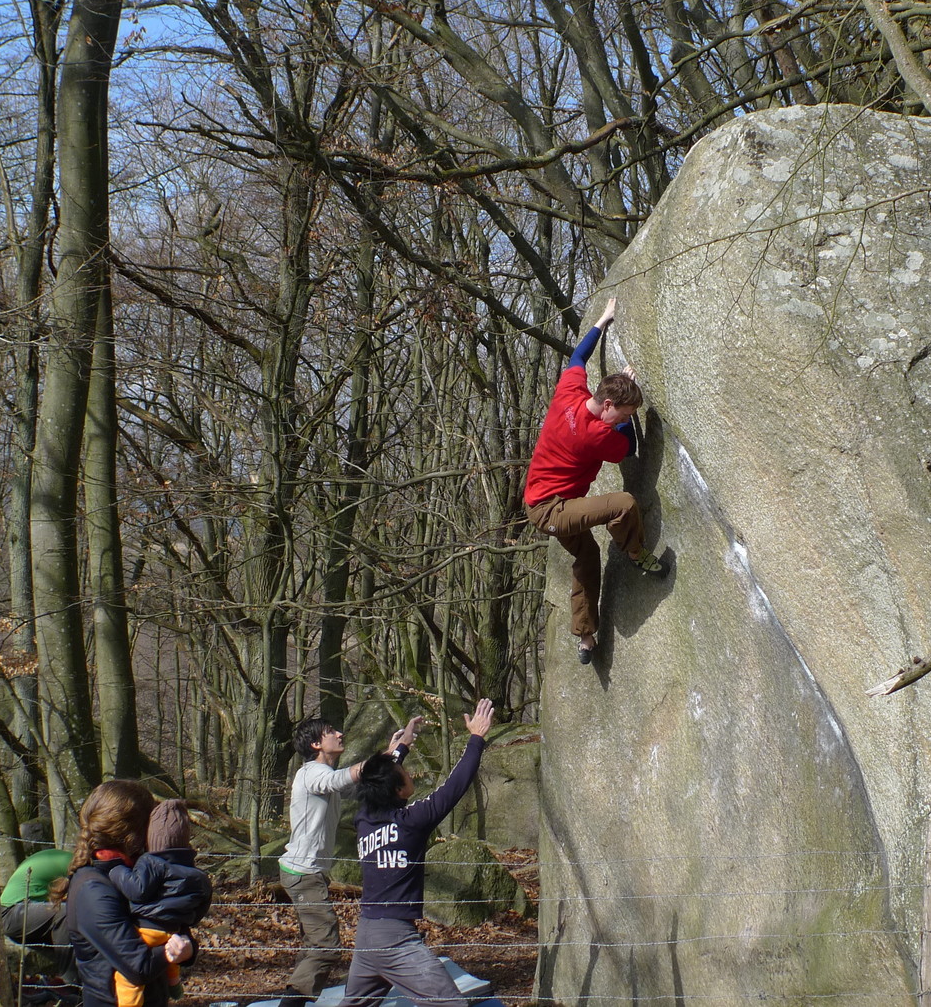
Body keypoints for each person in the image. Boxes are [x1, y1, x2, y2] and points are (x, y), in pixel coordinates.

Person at [524, 296, 667, 663]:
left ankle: (586, 637)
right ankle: (635, 552)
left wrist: (602, 320)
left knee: (587, 555)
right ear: (607, 406)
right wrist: (624, 422)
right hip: (551, 511)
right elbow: (628, 447)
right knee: (623, 504)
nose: (626, 419)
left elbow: (578, 358)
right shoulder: (595, 435)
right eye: (624, 413)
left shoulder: (569, 393)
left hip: (544, 498)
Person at [342, 699, 495, 1006]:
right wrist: (476, 738)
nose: (408, 773)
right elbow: (454, 786)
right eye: (404, 771)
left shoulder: (364, 819)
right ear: (398, 790)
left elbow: (377, 779)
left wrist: (401, 747)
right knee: (450, 1004)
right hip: (395, 940)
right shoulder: (412, 821)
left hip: (368, 931)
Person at [279, 715, 424, 1006]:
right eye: (331, 731)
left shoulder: (325, 775)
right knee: (325, 946)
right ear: (316, 744)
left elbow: (367, 783)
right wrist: (387, 754)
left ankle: (294, 999)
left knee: (314, 945)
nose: (340, 734)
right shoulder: (311, 773)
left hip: (307, 873)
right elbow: (339, 779)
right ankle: (291, 1003)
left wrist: (397, 751)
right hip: (302, 873)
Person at [65, 780, 195, 1007]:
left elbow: (171, 924)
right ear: (134, 832)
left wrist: (187, 947)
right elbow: (138, 966)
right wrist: (171, 952)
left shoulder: (137, 875)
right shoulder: (92, 889)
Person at [106, 799, 212, 1005]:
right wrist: (184, 919)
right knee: (170, 957)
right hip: (174, 931)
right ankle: (174, 984)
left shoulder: (151, 861)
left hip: (147, 928)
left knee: (127, 980)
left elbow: (137, 890)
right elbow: (201, 908)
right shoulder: (198, 875)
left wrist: (116, 870)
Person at [0, 841, 75, 981]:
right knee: (66, 913)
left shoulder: (65, 859)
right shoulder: (76, 865)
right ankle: (69, 982)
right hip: (13, 913)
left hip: (20, 913)